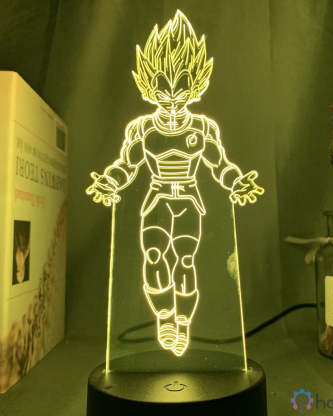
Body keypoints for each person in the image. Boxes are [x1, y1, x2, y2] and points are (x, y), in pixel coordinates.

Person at [86, 10, 264, 357]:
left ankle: (182, 321)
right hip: (156, 201)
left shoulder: (202, 128)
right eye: (161, 85)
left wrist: (237, 183)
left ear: (195, 82)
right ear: (148, 84)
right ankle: (164, 317)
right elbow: (128, 165)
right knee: (154, 255)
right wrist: (110, 182)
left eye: (181, 83)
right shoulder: (142, 129)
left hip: (188, 203)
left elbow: (219, 165)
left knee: (184, 261)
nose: (170, 94)